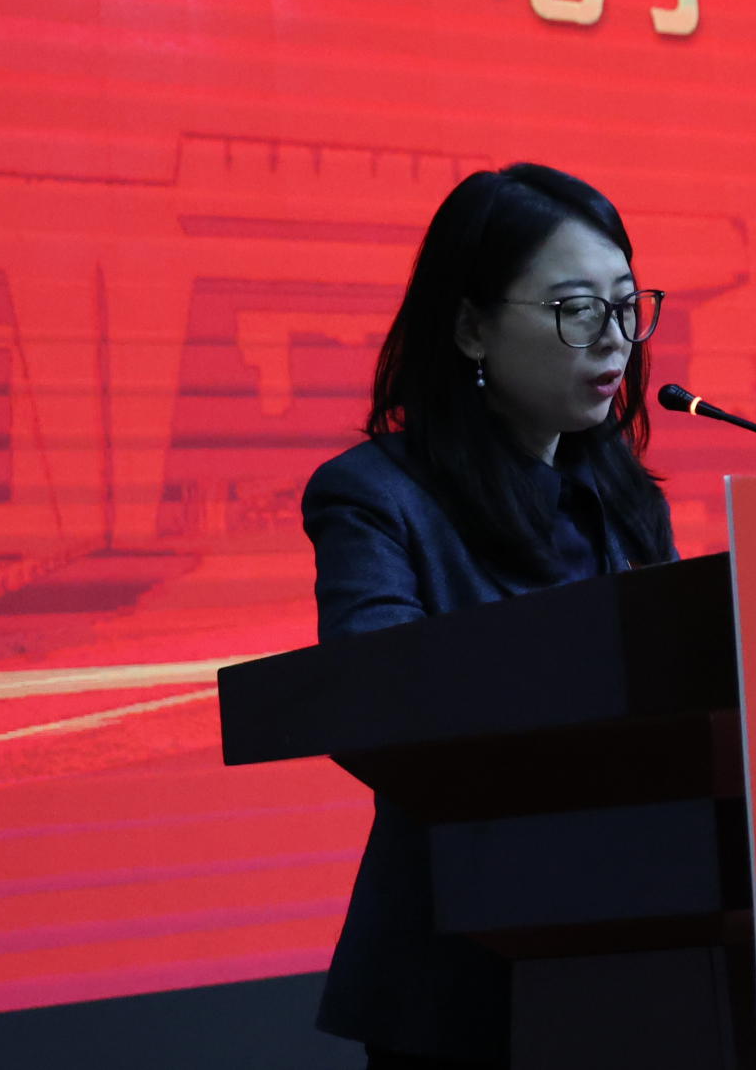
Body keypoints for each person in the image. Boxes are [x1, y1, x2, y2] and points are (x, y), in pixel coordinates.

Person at [303, 163, 676, 1068]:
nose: (614, 337)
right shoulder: (375, 497)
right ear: (471, 327)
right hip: (461, 970)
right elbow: (378, 698)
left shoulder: (626, 501)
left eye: (627, 304)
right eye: (576, 308)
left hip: (645, 949)